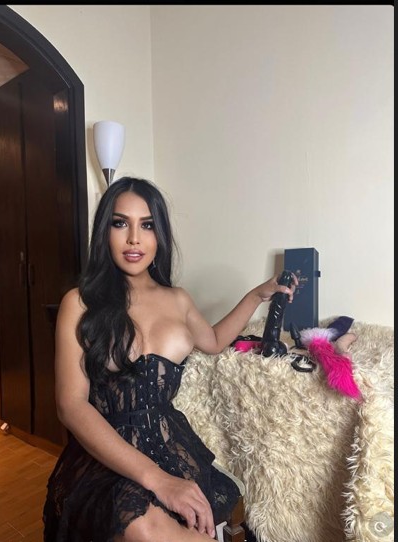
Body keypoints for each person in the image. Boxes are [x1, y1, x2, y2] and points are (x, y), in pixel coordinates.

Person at [43, 176, 297, 542]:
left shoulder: (178, 299)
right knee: (142, 526)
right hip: (106, 456)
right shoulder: (79, 303)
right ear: (104, 232)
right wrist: (157, 480)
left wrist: (258, 296)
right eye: (120, 223)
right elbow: (70, 406)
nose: (134, 238)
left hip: (170, 446)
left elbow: (213, 341)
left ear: (159, 234)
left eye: (147, 225)